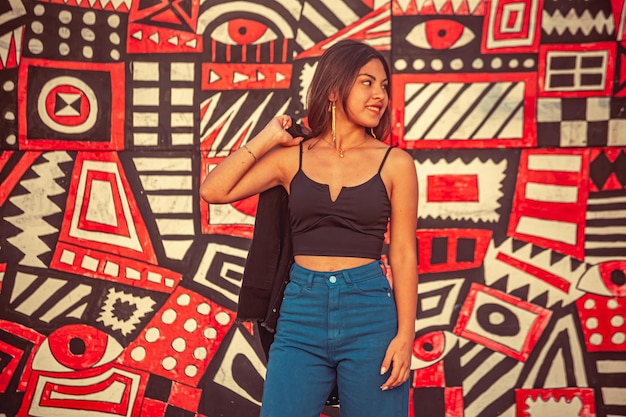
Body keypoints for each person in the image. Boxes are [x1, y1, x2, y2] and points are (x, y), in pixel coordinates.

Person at [200, 39, 418, 417]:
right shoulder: (292, 157)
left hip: (369, 309)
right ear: (333, 89)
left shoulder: (396, 163)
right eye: (367, 83)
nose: (379, 95)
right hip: (301, 309)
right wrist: (269, 136)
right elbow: (214, 190)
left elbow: (402, 253)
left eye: (383, 85)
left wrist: (405, 336)